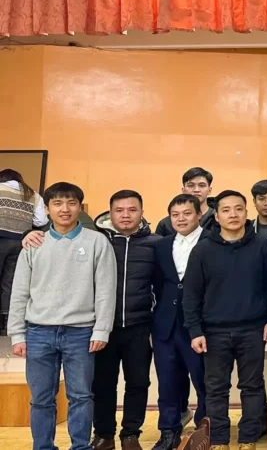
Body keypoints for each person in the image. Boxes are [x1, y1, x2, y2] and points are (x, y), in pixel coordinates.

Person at [7, 182, 116, 450]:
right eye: (57, 203)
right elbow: (19, 292)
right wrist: (17, 334)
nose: (64, 209)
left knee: (81, 396)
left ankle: (80, 446)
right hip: (39, 332)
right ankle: (43, 446)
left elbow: (105, 290)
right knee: (41, 399)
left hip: (81, 332)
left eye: (71, 203)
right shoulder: (34, 243)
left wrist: (101, 329)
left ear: (80, 207)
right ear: (47, 209)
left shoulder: (97, 242)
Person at [183, 190, 267, 450]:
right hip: (214, 332)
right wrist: (195, 331)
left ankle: (248, 438)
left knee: (252, 386)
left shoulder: (262, 245)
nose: (233, 214)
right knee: (216, 388)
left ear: (247, 212)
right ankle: (218, 440)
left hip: (253, 329)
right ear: (217, 216)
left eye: (238, 209)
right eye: (226, 210)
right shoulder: (202, 250)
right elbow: (191, 295)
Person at [88, 190, 161, 450]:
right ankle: (104, 435)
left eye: (132, 210)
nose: (126, 215)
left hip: (140, 327)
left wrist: (155, 324)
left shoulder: (156, 243)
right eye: (119, 210)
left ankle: (131, 435)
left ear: (142, 212)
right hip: (102, 328)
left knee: (138, 383)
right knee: (102, 384)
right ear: (110, 213)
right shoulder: (96, 240)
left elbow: (162, 287)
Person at [151, 195, 209, 450]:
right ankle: (169, 431)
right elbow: (157, 283)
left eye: (187, 213)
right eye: (175, 215)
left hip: (201, 325)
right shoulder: (162, 245)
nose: (181, 219)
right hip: (166, 324)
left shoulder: (212, 241)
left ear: (199, 214)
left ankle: (205, 428)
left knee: (204, 380)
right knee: (168, 381)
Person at [0, 168, 47, 335]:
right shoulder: (33, 194)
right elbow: (41, 221)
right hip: (20, 242)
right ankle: (5, 323)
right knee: (10, 282)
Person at [155, 167, 216, 237]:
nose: (196, 190)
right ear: (183, 190)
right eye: (191, 185)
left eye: (202, 185)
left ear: (209, 190)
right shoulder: (166, 224)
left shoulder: (218, 220)